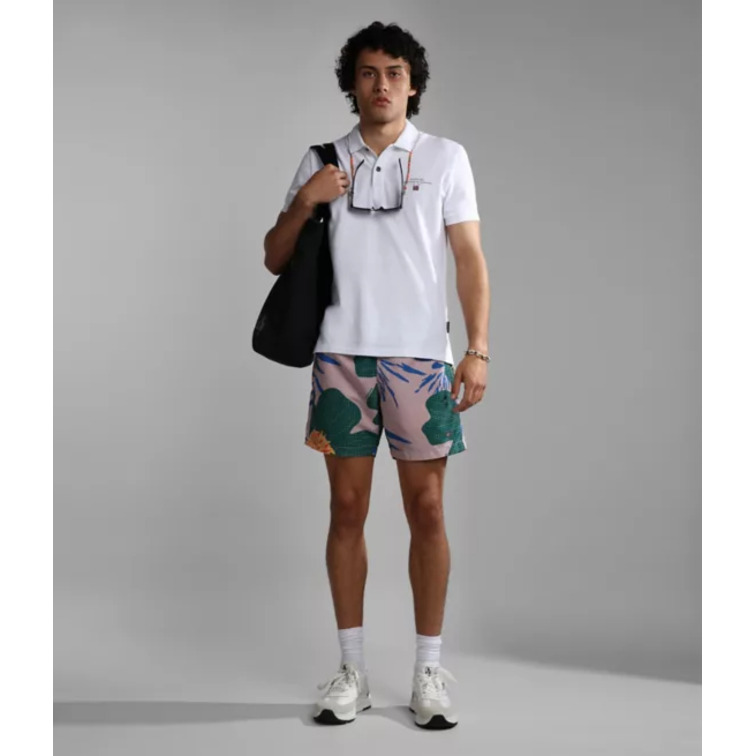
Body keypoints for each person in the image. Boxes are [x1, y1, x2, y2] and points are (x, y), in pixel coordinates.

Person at [262, 21, 490, 730]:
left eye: (394, 72)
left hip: (421, 359)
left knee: (429, 511)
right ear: (352, 84)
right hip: (341, 357)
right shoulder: (322, 160)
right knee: (346, 510)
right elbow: (273, 256)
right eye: (368, 72)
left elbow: (469, 258)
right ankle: (352, 670)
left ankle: (428, 671)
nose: (381, 84)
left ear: (412, 85)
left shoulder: (446, 158)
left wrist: (477, 348)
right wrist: (308, 199)